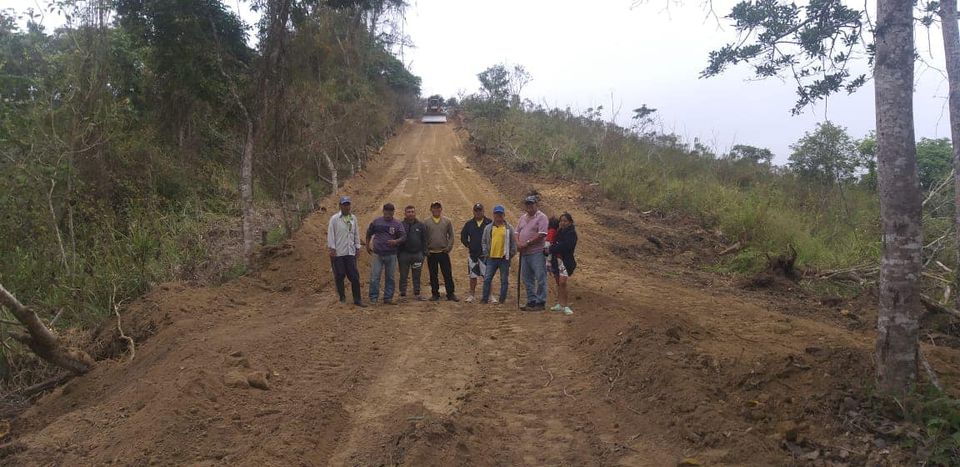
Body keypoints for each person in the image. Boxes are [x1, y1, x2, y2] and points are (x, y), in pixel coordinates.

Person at [327, 196, 366, 308]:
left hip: (350, 252)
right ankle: (342, 298)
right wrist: (332, 248)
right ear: (340, 206)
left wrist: (357, 247)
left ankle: (357, 299)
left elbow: (356, 233)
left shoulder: (353, 218)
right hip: (338, 253)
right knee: (340, 275)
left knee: (354, 276)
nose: (347, 207)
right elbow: (331, 234)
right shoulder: (334, 219)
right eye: (344, 204)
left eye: (348, 204)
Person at [365, 203, 406, 305]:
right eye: (386, 210)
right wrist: (367, 245)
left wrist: (396, 241)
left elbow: (403, 237)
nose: (388, 213)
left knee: (390, 277)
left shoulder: (397, 224)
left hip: (391, 254)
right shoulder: (376, 222)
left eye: (390, 211)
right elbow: (369, 233)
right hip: (377, 254)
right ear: (383, 211)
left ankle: (388, 298)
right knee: (375, 277)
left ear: (393, 212)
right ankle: (373, 298)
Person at [516, 195, 549, 311]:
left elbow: (542, 234)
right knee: (527, 278)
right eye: (527, 204)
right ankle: (531, 300)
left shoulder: (542, 217)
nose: (529, 206)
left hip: (537, 252)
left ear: (536, 205)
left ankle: (540, 301)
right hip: (524, 252)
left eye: (531, 204)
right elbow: (516, 232)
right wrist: (518, 243)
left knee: (540, 277)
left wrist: (528, 243)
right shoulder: (522, 218)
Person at [480, 205, 517, 304]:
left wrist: (510, 255)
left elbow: (513, 243)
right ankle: (484, 298)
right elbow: (484, 241)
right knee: (487, 279)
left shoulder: (509, 228)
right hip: (491, 258)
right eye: (497, 214)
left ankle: (502, 299)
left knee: (504, 280)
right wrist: (486, 253)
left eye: (500, 214)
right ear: (494, 215)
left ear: (504, 215)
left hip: (504, 259)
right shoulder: (488, 228)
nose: (498, 216)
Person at [424, 201, 459, 302]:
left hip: (443, 252)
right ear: (431, 209)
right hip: (431, 253)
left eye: (438, 207)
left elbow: (451, 235)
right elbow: (423, 237)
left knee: (447, 274)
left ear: (441, 209)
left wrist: (449, 247)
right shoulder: (426, 222)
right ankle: (435, 294)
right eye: (434, 208)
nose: (436, 209)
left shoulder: (447, 221)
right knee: (433, 274)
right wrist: (426, 249)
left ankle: (450, 294)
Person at [460, 203, 492, 302]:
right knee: (473, 276)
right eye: (476, 210)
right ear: (473, 212)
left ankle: (489, 295)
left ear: (483, 211)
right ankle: (472, 295)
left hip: (485, 255)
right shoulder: (469, 224)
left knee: (487, 277)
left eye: (480, 210)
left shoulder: (489, 223)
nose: (478, 212)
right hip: (473, 255)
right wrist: (469, 245)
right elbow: (463, 236)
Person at [549, 212, 578, 315]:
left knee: (562, 283)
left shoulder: (572, 234)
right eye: (561, 221)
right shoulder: (559, 232)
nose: (563, 223)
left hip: (565, 262)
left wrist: (553, 248)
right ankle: (560, 303)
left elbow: (565, 246)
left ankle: (565, 305)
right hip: (557, 261)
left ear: (570, 222)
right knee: (558, 283)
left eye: (565, 221)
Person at [398, 205, 428, 301]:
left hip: (417, 255)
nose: (410, 214)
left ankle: (417, 294)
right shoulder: (400, 225)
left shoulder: (421, 225)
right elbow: (397, 239)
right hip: (404, 254)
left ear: (415, 213)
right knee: (403, 275)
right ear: (405, 213)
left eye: (412, 212)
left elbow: (424, 239)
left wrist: (424, 253)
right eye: (408, 212)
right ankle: (403, 295)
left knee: (417, 275)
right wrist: (398, 254)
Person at [545, 216, 561, 306]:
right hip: (556, 256)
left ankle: (559, 297)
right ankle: (559, 297)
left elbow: (548, 244)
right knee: (558, 276)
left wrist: (548, 260)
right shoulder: (555, 232)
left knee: (557, 276)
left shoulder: (551, 231)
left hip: (553, 257)